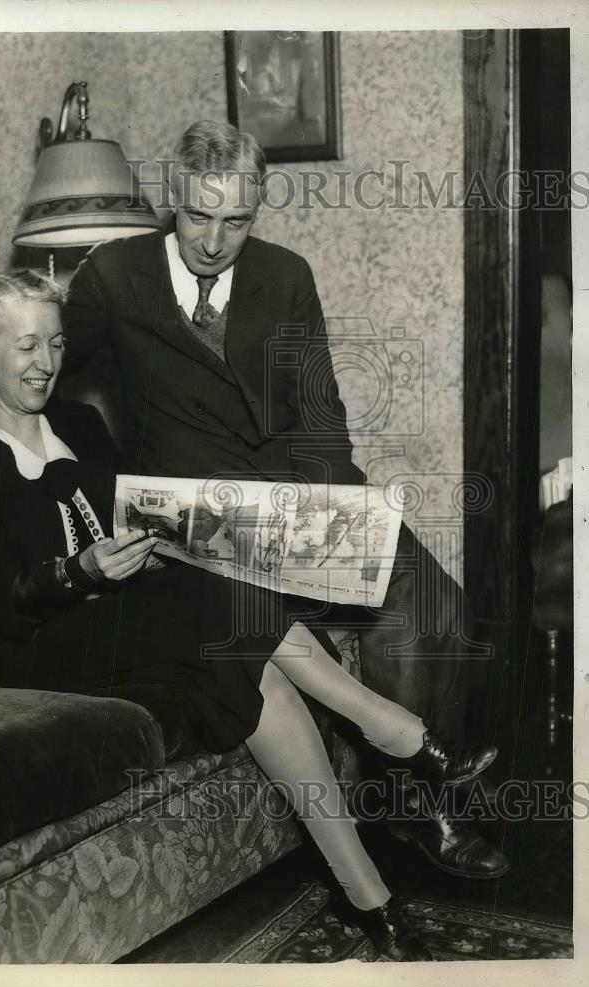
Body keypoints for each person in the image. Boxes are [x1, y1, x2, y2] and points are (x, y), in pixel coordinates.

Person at [0, 270, 500, 961]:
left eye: (56, 344)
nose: (45, 364)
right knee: (225, 602)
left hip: (140, 621)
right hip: (45, 648)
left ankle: (371, 898)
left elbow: (131, 515)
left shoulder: (79, 424)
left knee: (257, 670)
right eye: (25, 347)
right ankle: (401, 735)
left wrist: (168, 543)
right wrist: (81, 571)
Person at [63, 119, 508, 880]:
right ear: (173, 196)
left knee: (433, 598)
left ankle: (403, 799)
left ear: (258, 207)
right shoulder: (114, 275)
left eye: (235, 221)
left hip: (293, 504)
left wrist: (333, 521)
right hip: (196, 528)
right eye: (198, 215)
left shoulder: (285, 274)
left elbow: (321, 412)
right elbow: (43, 358)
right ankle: (425, 807)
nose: (212, 239)